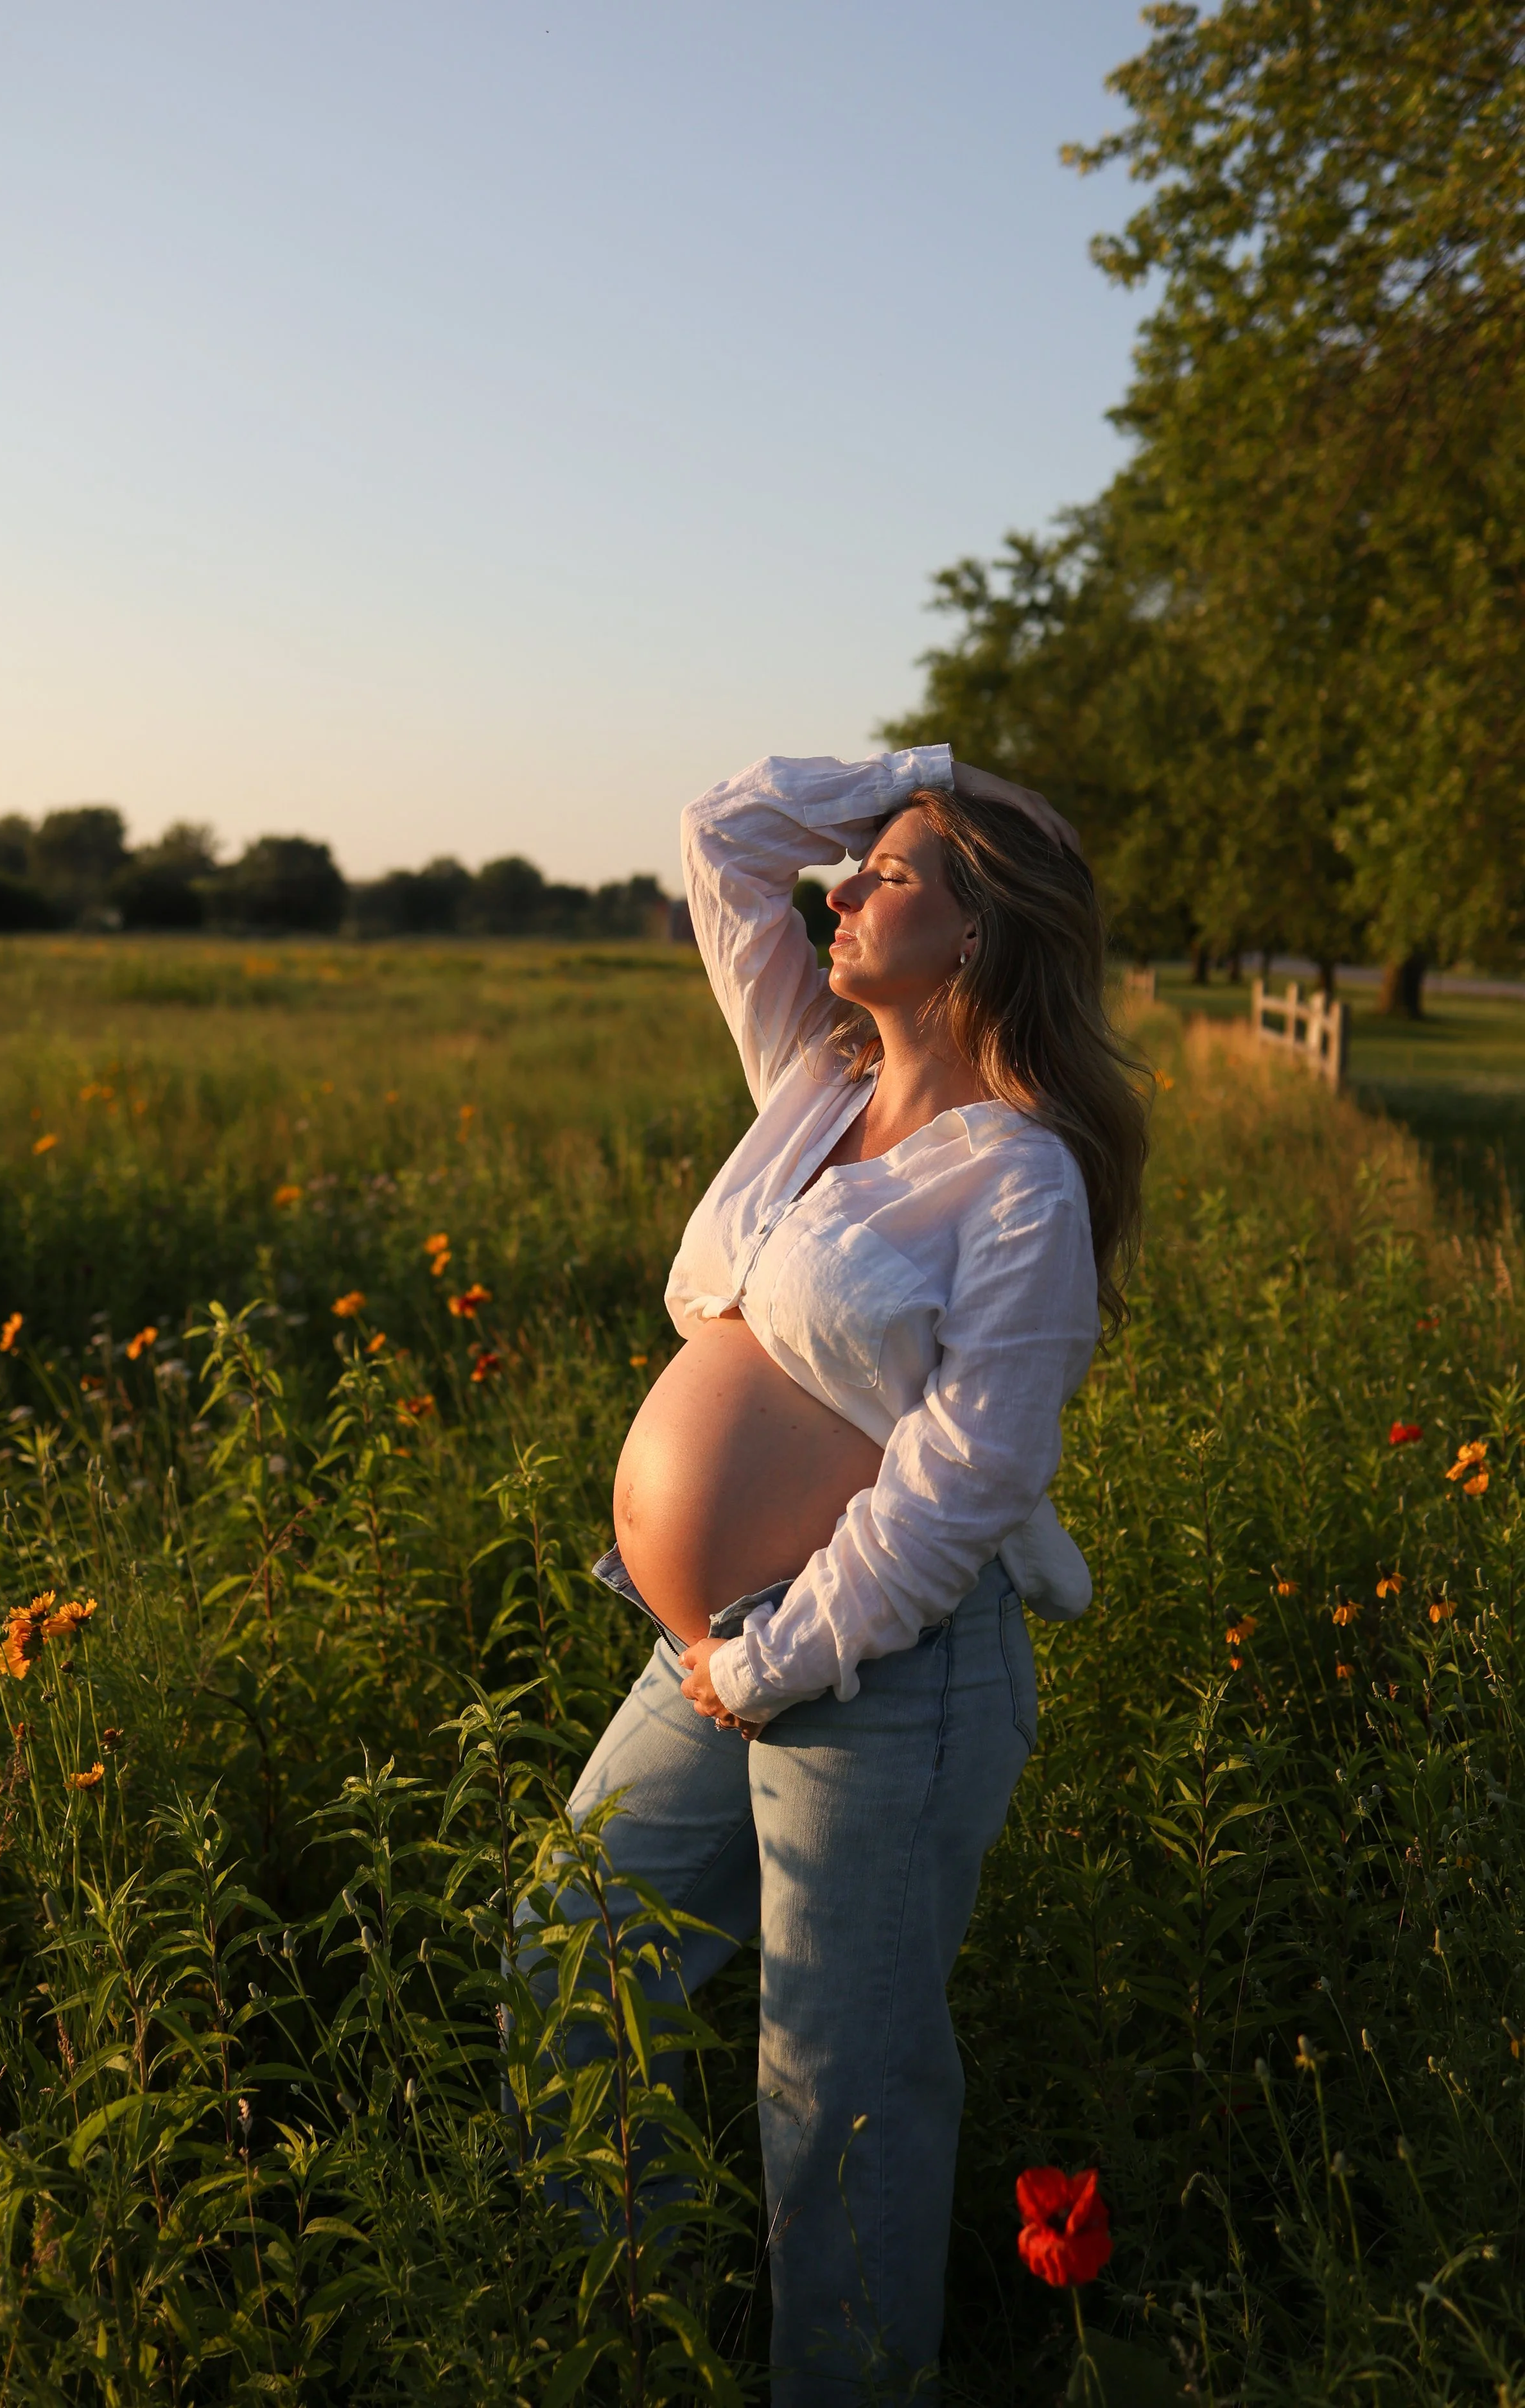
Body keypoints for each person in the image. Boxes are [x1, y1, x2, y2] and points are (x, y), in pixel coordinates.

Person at [549, 747, 1146, 2403]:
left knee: (842, 2080)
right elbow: (723, 833)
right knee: (568, 1946)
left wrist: (780, 1659)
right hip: (719, 1652)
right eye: (857, 868)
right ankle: (651, 2337)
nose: (840, 888)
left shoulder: (1020, 1178)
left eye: (889, 875)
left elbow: (965, 1491)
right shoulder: (815, 1083)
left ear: (979, 933)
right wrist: (944, 780)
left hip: (884, 1672)